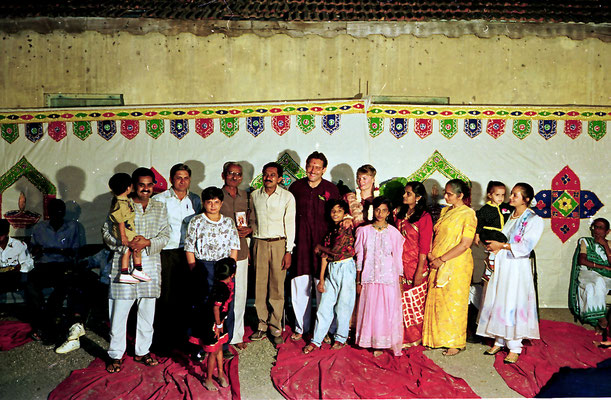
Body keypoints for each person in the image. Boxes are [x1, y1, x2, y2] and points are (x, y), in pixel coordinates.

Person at [102, 167, 170, 373]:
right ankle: (115, 354)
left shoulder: (160, 207)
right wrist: (126, 244)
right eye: (142, 184)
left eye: (150, 185)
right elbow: (106, 232)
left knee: (147, 313)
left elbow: (166, 235)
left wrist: (147, 241)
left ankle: (142, 351)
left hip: (149, 265)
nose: (146, 189)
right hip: (123, 264)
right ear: (133, 186)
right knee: (119, 313)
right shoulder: (121, 203)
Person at [476, 183, 544, 364]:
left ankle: (515, 346)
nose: (510, 198)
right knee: (499, 299)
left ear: (526, 199)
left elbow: (525, 247)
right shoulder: (511, 216)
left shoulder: (534, 219)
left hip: (517, 268)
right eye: (511, 195)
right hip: (503, 264)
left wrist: (502, 246)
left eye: (515, 195)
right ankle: (499, 339)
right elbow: (502, 237)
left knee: (512, 301)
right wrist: (492, 245)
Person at [288, 151, 340, 341]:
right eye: (310, 165)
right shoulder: (296, 187)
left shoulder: (331, 190)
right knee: (300, 287)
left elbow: (339, 215)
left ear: (324, 169)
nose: (313, 170)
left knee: (323, 288)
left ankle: (324, 329)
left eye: (317, 167)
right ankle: (301, 328)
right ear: (306, 166)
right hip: (300, 244)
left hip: (323, 246)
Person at [422, 179, 476, 356]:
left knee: (454, 303)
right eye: (445, 193)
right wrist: (431, 255)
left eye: (450, 194)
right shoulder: (445, 211)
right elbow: (435, 234)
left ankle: (455, 342)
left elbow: (465, 244)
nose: (445, 196)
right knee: (437, 300)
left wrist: (442, 259)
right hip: (437, 260)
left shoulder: (468, 214)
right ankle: (435, 339)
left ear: (460, 196)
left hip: (457, 264)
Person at [184, 186, 240, 352]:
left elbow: (234, 246)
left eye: (216, 202)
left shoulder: (228, 222)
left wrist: (232, 268)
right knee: (205, 305)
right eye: (209, 202)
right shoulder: (196, 221)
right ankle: (203, 345)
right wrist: (194, 269)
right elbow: (189, 247)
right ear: (203, 203)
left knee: (225, 305)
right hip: (204, 267)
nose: (213, 206)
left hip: (224, 269)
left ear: (221, 203)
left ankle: (223, 345)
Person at [153, 163, 201, 352]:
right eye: (178, 177)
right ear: (172, 178)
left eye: (186, 178)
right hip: (166, 252)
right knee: (166, 296)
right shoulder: (160, 199)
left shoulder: (196, 200)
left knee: (186, 297)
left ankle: (183, 340)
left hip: (188, 253)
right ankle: (163, 342)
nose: (182, 181)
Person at [249, 162, 296, 345]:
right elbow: (251, 222)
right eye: (266, 174)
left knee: (277, 287)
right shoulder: (254, 196)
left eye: (273, 175)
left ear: (279, 178)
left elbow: (290, 224)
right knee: (259, 286)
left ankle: (275, 326)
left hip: (279, 244)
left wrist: (288, 251)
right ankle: (261, 325)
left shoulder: (287, 197)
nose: (268, 178)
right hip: (259, 243)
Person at [303, 199, 356, 354]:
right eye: (333, 211)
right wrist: (321, 279)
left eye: (339, 211)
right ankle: (316, 340)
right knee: (325, 305)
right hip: (332, 269)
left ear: (345, 213)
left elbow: (335, 251)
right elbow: (324, 256)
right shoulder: (330, 231)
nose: (335, 214)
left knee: (344, 305)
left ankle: (341, 338)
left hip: (346, 267)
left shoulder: (346, 227)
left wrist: (319, 247)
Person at [354, 196, 405, 357]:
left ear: (389, 212)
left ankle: (383, 342)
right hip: (369, 276)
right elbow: (360, 256)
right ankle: (371, 341)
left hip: (388, 277)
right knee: (371, 309)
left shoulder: (394, 233)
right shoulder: (364, 231)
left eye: (384, 210)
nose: (380, 213)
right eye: (377, 210)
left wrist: (399, 278)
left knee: (385, 310)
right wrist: (359, 279)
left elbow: (397, 257)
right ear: (373, 211)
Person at [28, 198, 84, 341]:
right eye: (54, 212)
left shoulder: (73, 227)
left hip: (63, 265)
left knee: (62, 287)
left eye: (60, 211)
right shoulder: (39, 227)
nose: (57, 214)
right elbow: (33, 251)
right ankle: (45, 321)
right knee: (30, 285)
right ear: (48, 212)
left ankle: (46, 326)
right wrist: (39, 249)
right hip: (44, 266)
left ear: (64, 212)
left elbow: (74, 252)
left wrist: (55, 250)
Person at [393, 181, 433, 348]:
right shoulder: (398, 213)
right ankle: (398, 336)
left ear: (418, 197)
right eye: (404, 192)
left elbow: (424, 247)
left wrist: (419, 271)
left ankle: (413, 338)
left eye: (408, 193)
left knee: (413, 303)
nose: (404, 195)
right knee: (398, 300)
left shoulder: (424, 217)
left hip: (415, 264)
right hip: (398, 263)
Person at [189, 257, 236, 391]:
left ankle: (220, 374)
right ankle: (208, 379)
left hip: (220, 321)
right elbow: (216, 308)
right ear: (232, 275)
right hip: (214, 323)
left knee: (220, 347)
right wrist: (218, 325)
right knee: (213, 352)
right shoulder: (222, 289)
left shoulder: (222, 285)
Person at [220, 161, 252, 350]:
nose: (234, 177)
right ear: (223, 175)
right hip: (221, 253)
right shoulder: (217, 195)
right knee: (223, 296)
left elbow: (252, 217)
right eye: (230, 173)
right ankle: (222, 334)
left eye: (238, 174)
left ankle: (237, 335)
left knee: (240, 294)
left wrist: (250, 229)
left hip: (241, 252)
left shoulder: (246, 196)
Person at [568, 217, 611, 331]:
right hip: (588, 273)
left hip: (607, 277)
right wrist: (603, 267)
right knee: (597, 281)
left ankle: (594, 321)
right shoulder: (585, 241)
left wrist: (605, 246)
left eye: (600, 228)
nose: (597, 230)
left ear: (607, 231)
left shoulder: (610, 244)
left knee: (590, 288)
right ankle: (601, 316)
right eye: (595, 227)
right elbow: (582, 261)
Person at [107, 173, 150, 284]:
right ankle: (136, 269)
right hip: (125, 230)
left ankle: (126, 272)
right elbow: (121, 221)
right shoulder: (122, 203)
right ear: (128, 188)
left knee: (128, 250)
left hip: (126, 230)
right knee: (137, 245)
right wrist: (123, 236)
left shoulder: (122, 201)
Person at [475, 181, 513, 282]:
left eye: (503, 195)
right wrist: (477, 235)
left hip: (501, 234)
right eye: (497, 195)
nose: (500, 198)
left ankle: (493, 268)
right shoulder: (485, 209)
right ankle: (490, 267)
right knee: (494, 247)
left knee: (502, 248)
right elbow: (480, 222)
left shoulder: (506, 207)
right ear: (490, 195)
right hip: (489, 233)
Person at [0, 218, 33, 295]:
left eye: (1, 234)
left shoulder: (19, 245)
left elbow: (29, 263)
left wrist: (20, 267)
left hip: (14, 277)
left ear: (7, 233)